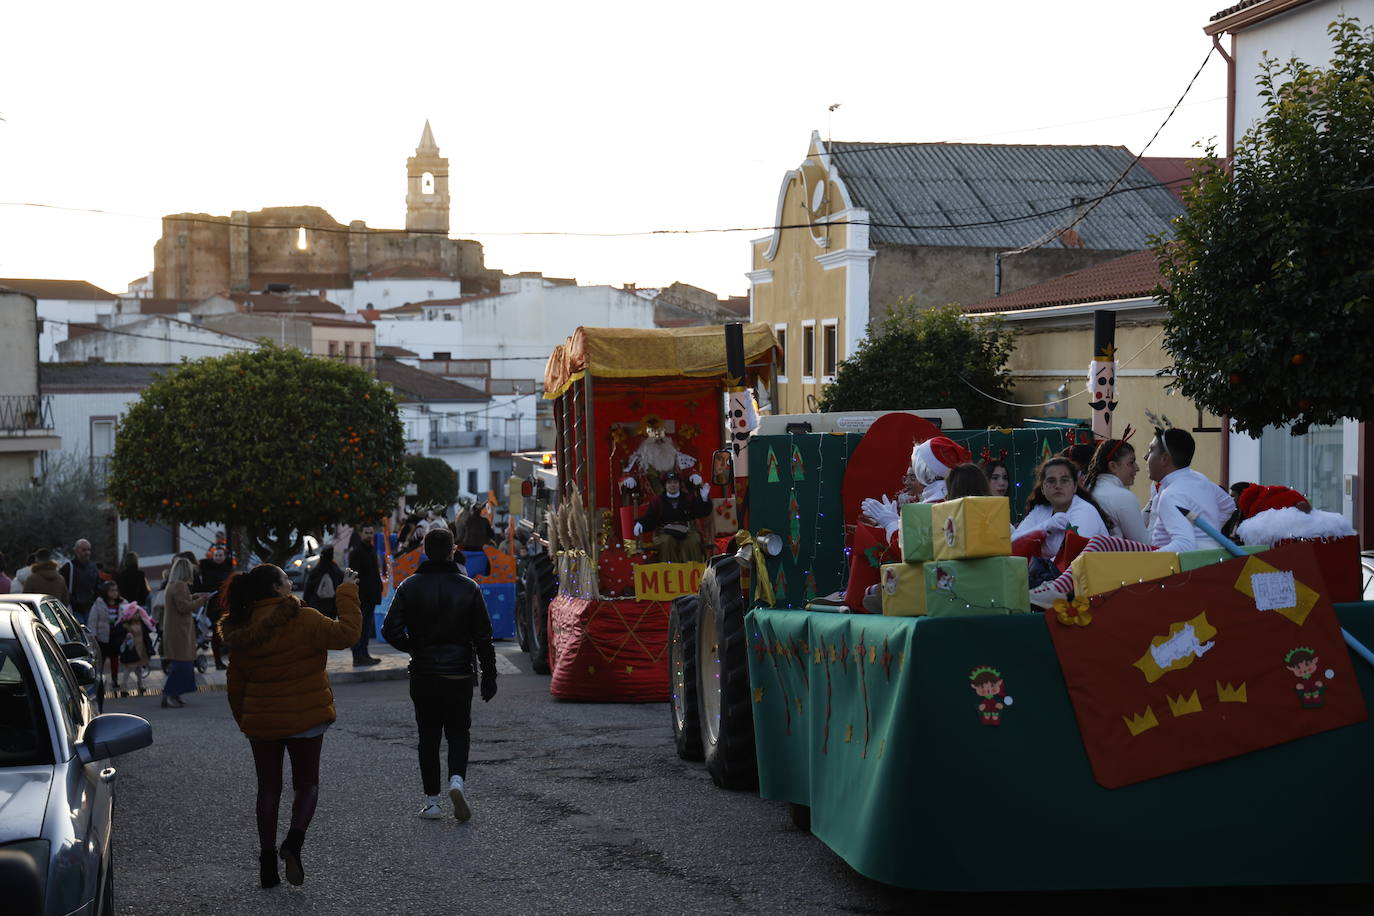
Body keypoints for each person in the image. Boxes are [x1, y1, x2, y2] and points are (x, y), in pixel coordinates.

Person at [219, 563, 361, 889]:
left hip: (261, 724)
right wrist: (348, 590)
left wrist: (246, 720)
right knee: (307, 784)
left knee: (268, 789)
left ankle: (267, 865)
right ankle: (293, 843)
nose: (291, 586)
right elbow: (348, 634)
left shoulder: (242, 627)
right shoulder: (305, 619)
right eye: (286, 581)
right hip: (306, 718)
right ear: (277, 589)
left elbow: (235, 685)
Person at [1027, 428, 1235, 607]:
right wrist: (1208, 537)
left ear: (1165, 459)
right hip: (1202, 558)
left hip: (1178, 563)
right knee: (1102, 544)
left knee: (1100, 543)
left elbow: (1185, 545)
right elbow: (1228, 505)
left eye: (1151, 450)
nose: (1145, 458)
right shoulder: (1199, 479)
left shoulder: (1172, 494)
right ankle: (1059, 588)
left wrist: (1139, 563)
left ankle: (1059, 589)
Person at [382, 527, 497, 823]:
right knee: (459, 732)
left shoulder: (409, 586)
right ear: (452, 551)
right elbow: (484, 637)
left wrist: (414, 648)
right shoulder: (469, 587)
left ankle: (431, 802)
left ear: (424, 550)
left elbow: (389, 630)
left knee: (428, 736)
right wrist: (489, 676)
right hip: (459, 673)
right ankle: (456, 780)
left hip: (423, 674)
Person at [161, 556, 213, 708]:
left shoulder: (172, 585)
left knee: (180, 664)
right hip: (180, 631)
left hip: (174, 630)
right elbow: (184, 607)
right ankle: (170, 694)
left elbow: (182, 601)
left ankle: (174, 695)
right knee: (182, 664)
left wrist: (195, 596)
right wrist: (201, 601)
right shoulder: (180, 585)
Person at [633, 470, 712, 563]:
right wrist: (641, 523)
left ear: (679, 484)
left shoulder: (688, 498)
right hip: (663, 531)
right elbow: (651, 517)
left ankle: (692, 570)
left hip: (687, 530)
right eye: (669, 483)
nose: (673, 485)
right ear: (665, 485)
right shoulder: (658, 500)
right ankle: (670, 570)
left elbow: (701, 512)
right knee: (668, 541)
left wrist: (704, 499)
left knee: (692, 541)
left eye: (675, 482)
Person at [1083, 433, 1149, 543]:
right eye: (1131, 463)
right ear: (1113, 466)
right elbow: (1145, 543)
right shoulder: (1122, 496)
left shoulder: (1088, 489)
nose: (1137, 468)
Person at [347, 525, 384, 666]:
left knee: (367, 627)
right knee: (360, 627)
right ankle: (358, 656)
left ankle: (365, 654)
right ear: (361, 534)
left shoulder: (371, 551)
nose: (369, 535)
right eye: (366, 533)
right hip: (362, 597)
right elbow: (354, 576)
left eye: (371, 533)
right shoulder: (357, 552)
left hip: (371, 596)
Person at [87, 580, 127, 688]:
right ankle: (99, 679)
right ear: (106, 592)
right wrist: (94, 634)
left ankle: (115, 679)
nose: (115, 593)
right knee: (101, 659)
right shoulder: (99, 603)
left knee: (115, 659)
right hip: (102, 636)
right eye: (112, 591)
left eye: (116, 590)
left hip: (116, 636)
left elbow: (127, 618)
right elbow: (93, 620)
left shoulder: (123, 603)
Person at [200, 545, 234, 669]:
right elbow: (206, 587)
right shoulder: (208, 570)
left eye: (220, 555)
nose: (218, 557)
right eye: (216, 555)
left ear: (224, 557)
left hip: (228, 604)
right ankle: (217, 661)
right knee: (216, 633)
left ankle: (231, 659)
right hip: (215, 606)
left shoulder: (229, 570)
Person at [116, 601, 156, 695]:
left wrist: (149, 648)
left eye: (138, 613)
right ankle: (124, 688)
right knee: (128, 669)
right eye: (135, 613)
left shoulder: (142, 624)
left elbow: (146, 636)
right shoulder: (124, 626)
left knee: (139, 668)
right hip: (131, 651)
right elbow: (119, 637)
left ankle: (140, 685)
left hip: (140, 649)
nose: (137, 615)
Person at [61, 538, 100, 617]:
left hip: (89, 607)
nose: (87, 553)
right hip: (75, 608)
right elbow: (63, 587)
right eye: (84, 550)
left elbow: (97, 586)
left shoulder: (93, 567)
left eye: (89, 550)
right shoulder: (68, 567)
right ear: (76, 550)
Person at [303, 546, 344, 620]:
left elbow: (308, 590)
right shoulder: (336, 570)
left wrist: (305, 604)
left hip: (317, 606)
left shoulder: (316, 571)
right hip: (332, 607)